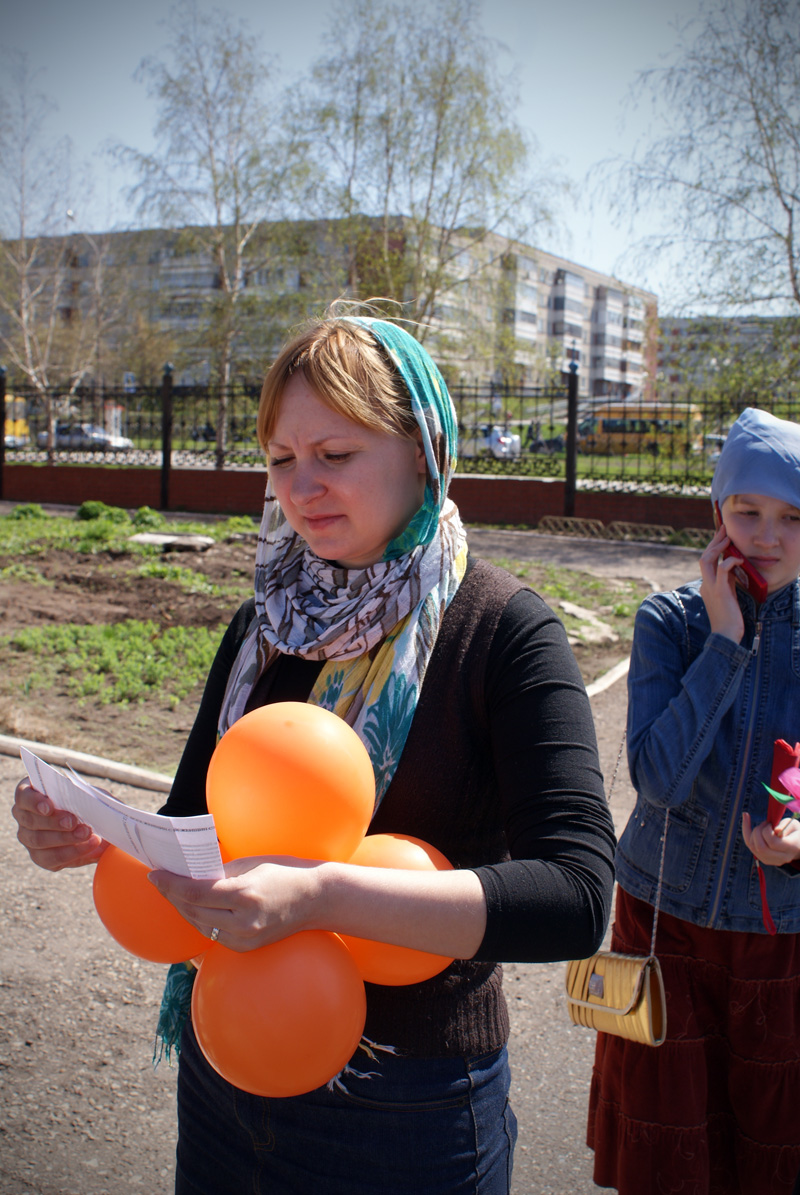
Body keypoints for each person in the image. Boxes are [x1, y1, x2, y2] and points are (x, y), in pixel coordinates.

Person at [13, 314, 615, 1195]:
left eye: (335, 453)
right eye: (281, 458)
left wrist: (323, 894)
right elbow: (195, 819)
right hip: (226, 1072)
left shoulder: (505, 632)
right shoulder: (266, 622)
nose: (301, 487)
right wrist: (99, 836)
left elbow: (575, 895)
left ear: (424, 452)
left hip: (409, 1114)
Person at [587, 406, 800, 1195]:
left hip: (779, 933)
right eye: (747, 511)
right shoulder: (670, 623)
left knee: (766, 1145)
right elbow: (661, 780)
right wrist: (724, 640)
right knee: (668, 1151)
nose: (766, 536)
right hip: (662, 922)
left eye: (792, 517)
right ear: (717, 513)